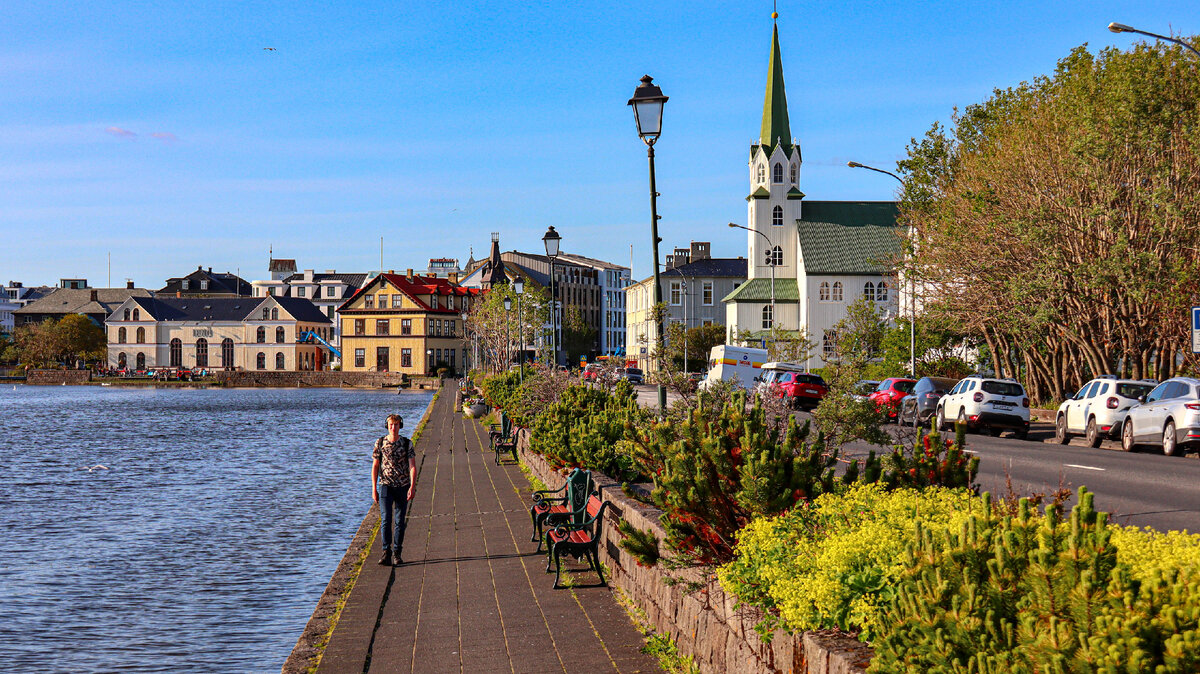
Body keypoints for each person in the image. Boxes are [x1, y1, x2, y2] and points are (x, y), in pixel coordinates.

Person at [372, 413, 416, 566]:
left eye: (396, 424)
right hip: (385, 486)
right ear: (387, 426)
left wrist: (412, 485)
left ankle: (397, 552)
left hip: (402, 486)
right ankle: (386, 552)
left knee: (399, 521)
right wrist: (374, 488)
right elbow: (375, 466)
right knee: (385, 519)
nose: (393, 427)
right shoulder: (380, 443)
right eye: (391, 424)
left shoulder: (406, 443)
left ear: (400, 426)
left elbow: (412, 466)